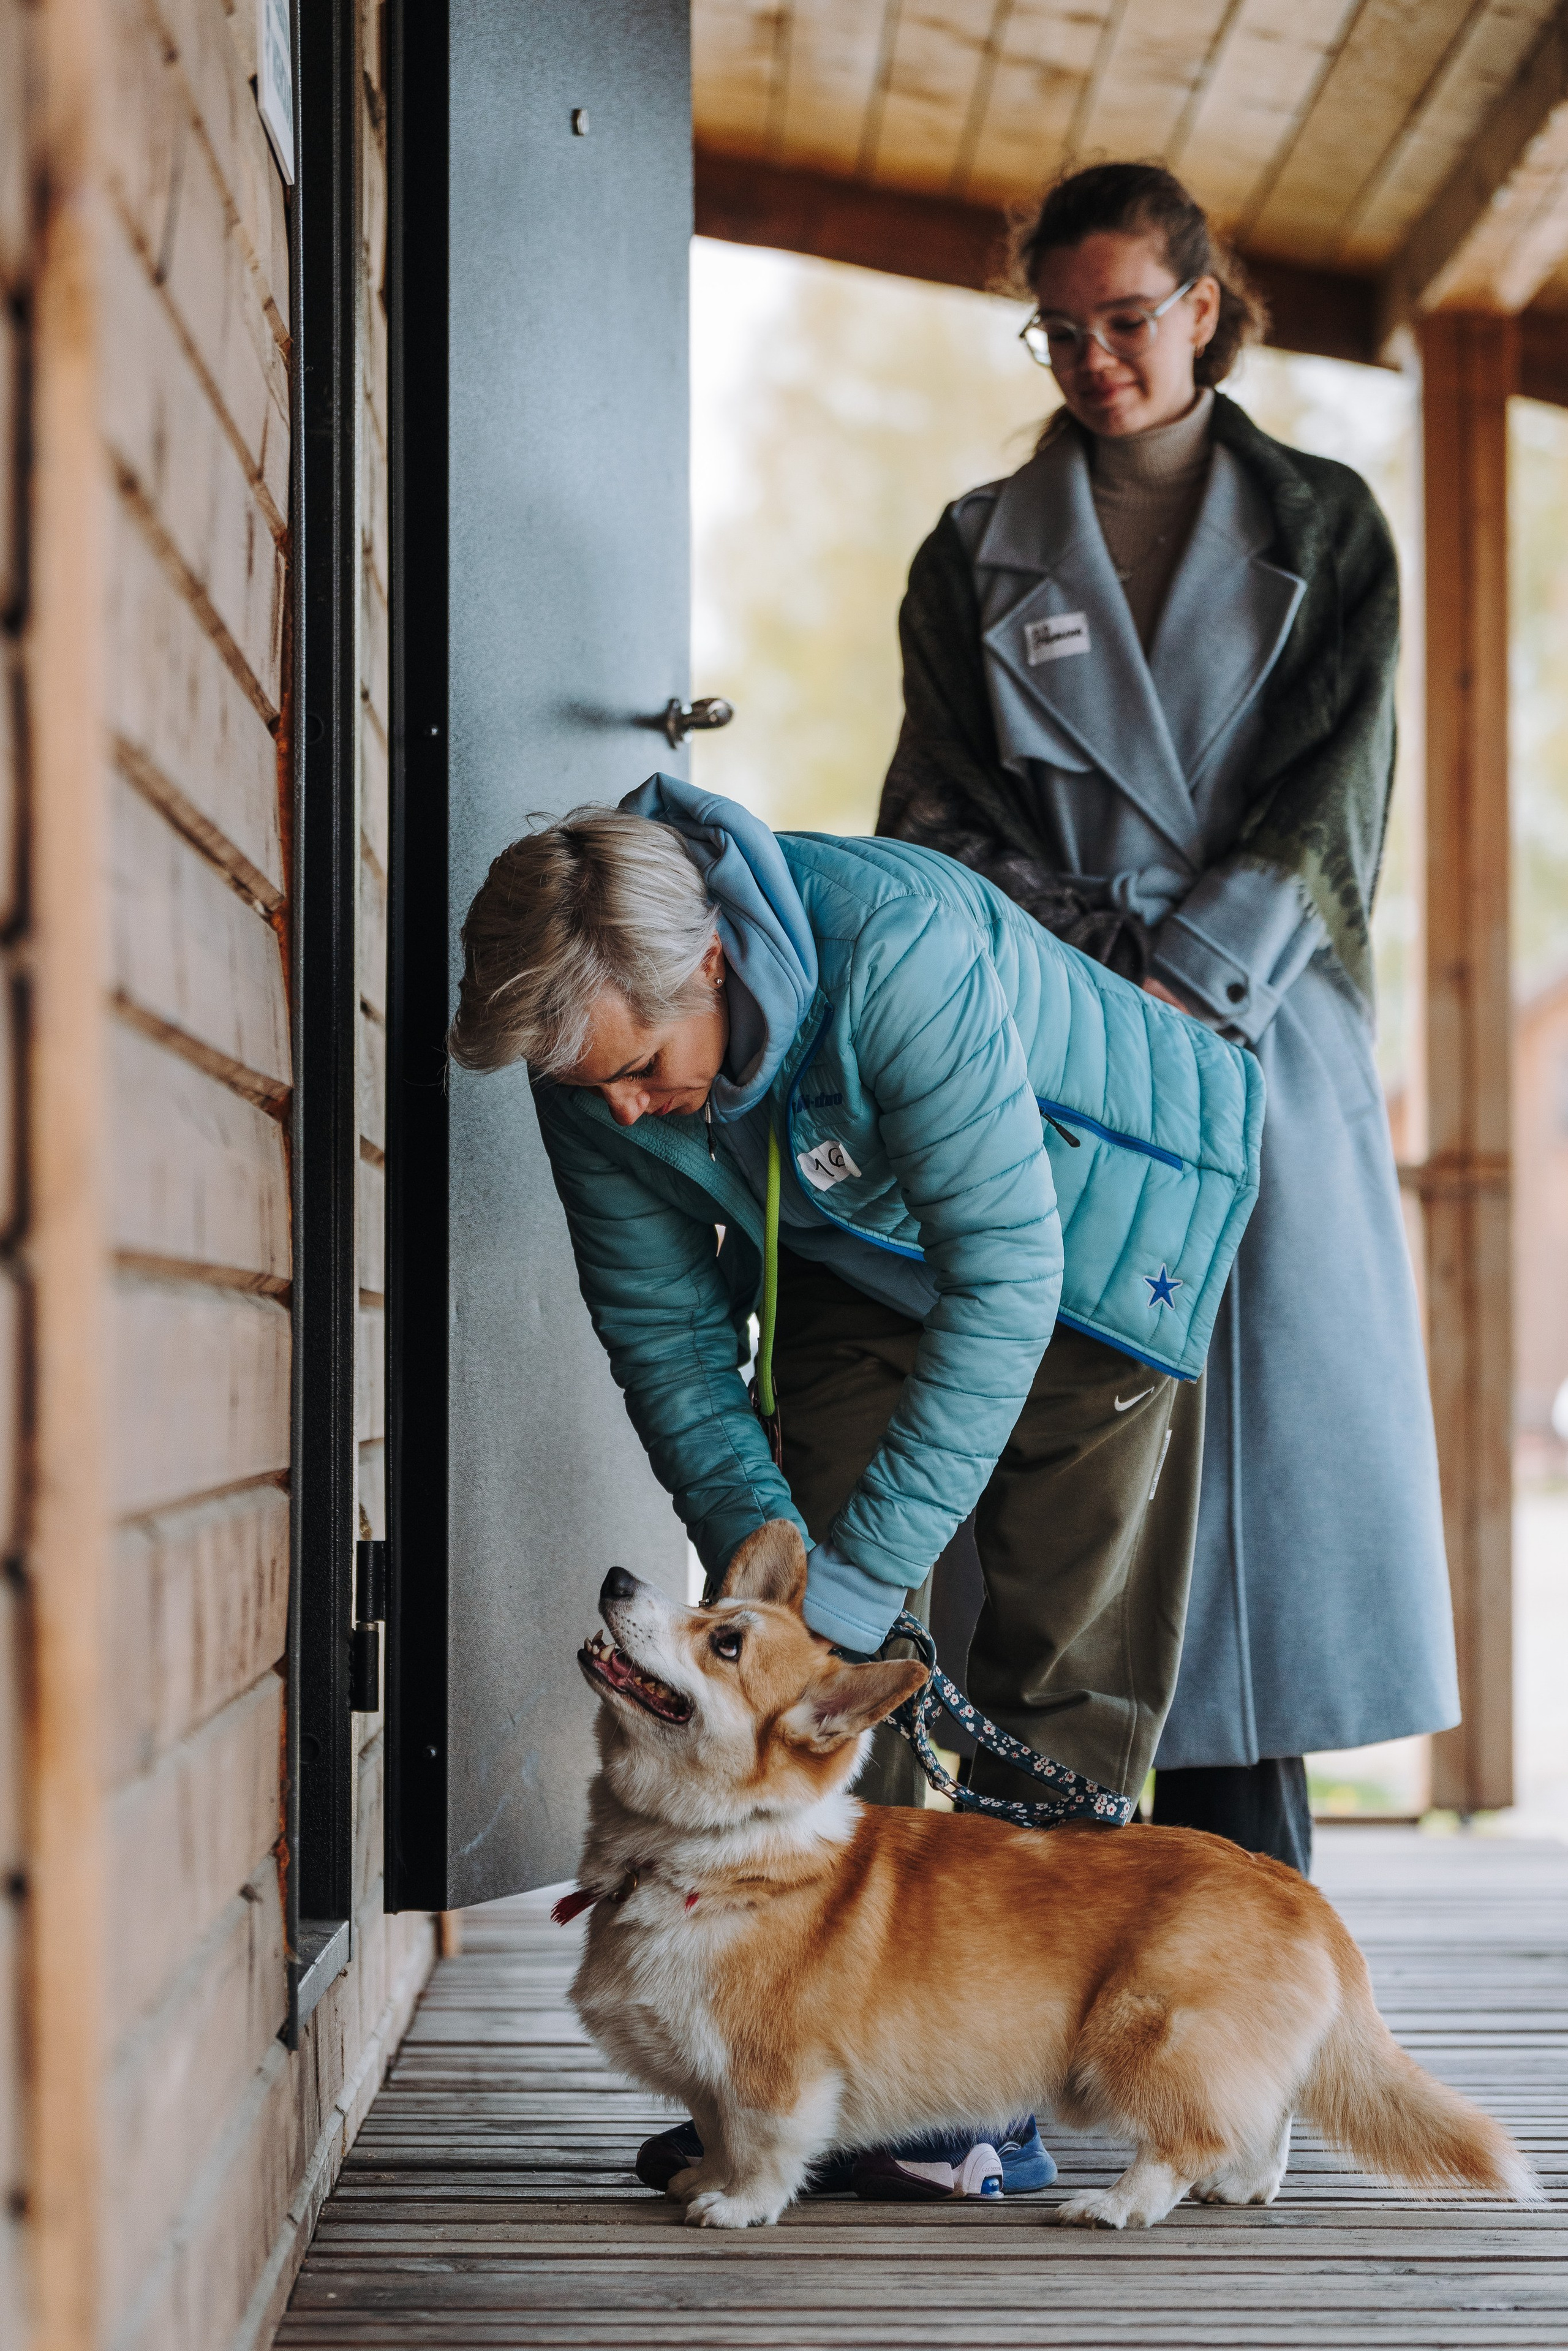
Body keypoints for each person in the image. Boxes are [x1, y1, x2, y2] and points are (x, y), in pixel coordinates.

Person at [450, 774, 1262, 2200]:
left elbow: (1005, 1283)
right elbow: (667, 1338)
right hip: (856, 1243)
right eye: (590, 1084)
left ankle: (987, 2093)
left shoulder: (896, 953)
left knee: (1058, 1641)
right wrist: (782, 1605)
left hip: (1097, 1233)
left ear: (710, 963)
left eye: (640, 1066)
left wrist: (860, 1589)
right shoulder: (592, 1054)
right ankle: (833, 2070)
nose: (624, 1105)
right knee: (818, 1634)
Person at [877, 160, 1460, 1877]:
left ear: (1202, 309)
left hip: (1259, 1039)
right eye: (1058, 330)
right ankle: (1038, 1926)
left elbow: (1336, 803)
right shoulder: (970, 556)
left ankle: (1256, 1942)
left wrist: (1182, 986)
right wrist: (1081, 990)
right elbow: (933, 816)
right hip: (1051, 1052)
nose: (1094, 359)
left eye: (1126, 319)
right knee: (1068, 1485)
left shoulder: (1326, 527)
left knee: (1259, 1522)